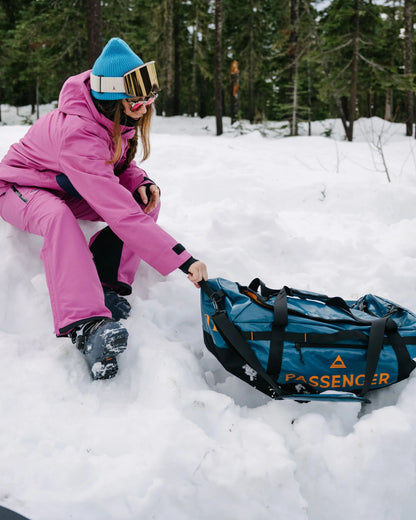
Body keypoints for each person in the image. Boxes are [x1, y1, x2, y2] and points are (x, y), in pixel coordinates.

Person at [0, 38, 208, 380]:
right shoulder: (79, 131)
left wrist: (139, 181)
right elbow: (116, 209)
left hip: (67, 184)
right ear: (113, 97)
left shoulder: (111, 116)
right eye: (138, 101)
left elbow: (116, 166)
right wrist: (183, 260)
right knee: (58, 217)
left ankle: (105, 283)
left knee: (142, 201)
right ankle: (85, 325)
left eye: (150, 98)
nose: (146, 107)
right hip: (20, 187)